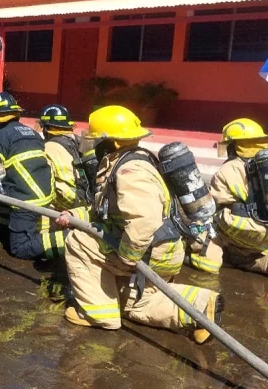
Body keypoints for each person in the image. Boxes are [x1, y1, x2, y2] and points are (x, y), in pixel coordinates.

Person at [56, 105, 223, 344]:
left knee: (78, 241)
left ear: (111, 142)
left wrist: (126, 258)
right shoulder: (132, 159)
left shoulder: (130, 170)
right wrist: (73, 215)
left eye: (98, 141)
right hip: (161, 249)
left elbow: (144, 222)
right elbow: (104, 212)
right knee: (134, 301)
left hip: (152, 251)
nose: (94, 148)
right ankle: (199, 307)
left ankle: (97, 315)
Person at [192, 118, 268, 280]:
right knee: (253, 251)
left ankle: (212, 260)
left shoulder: (228, 169)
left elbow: (212, 206)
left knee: (205, 228)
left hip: (242, 231)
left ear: (234, 145)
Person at [0, 92, 60, 261]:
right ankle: (4, 230)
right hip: (44, 194)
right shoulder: (32, 132)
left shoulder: (0, 137)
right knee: (2, 194)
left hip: (26, 200)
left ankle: (68, 240)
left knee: (20, 248)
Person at [39, 104, 92, 256]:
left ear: (46, 128)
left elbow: (48, 184)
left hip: (68, 203)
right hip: (86, 200)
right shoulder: (78, 141)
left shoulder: (48, 148)